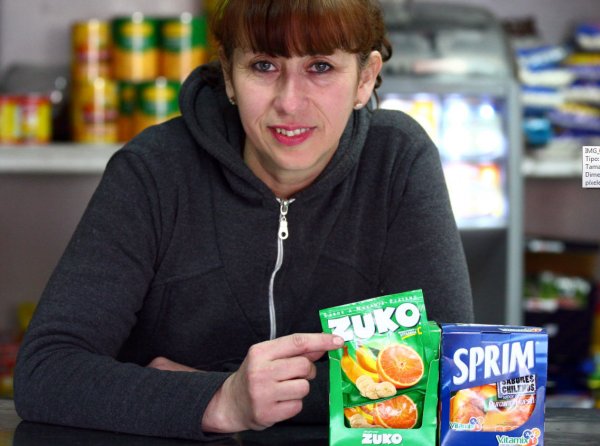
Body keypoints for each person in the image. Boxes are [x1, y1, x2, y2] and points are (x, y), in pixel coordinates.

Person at [14, 0, 473, 441]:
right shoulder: (153, 170)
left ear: (365, 78)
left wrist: (216, 389)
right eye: (264, 66)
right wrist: (223, 399)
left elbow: (445, 375)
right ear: (229, 75)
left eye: (320, 67)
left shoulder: (396, 160)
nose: (290, 103)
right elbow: (45, 372)